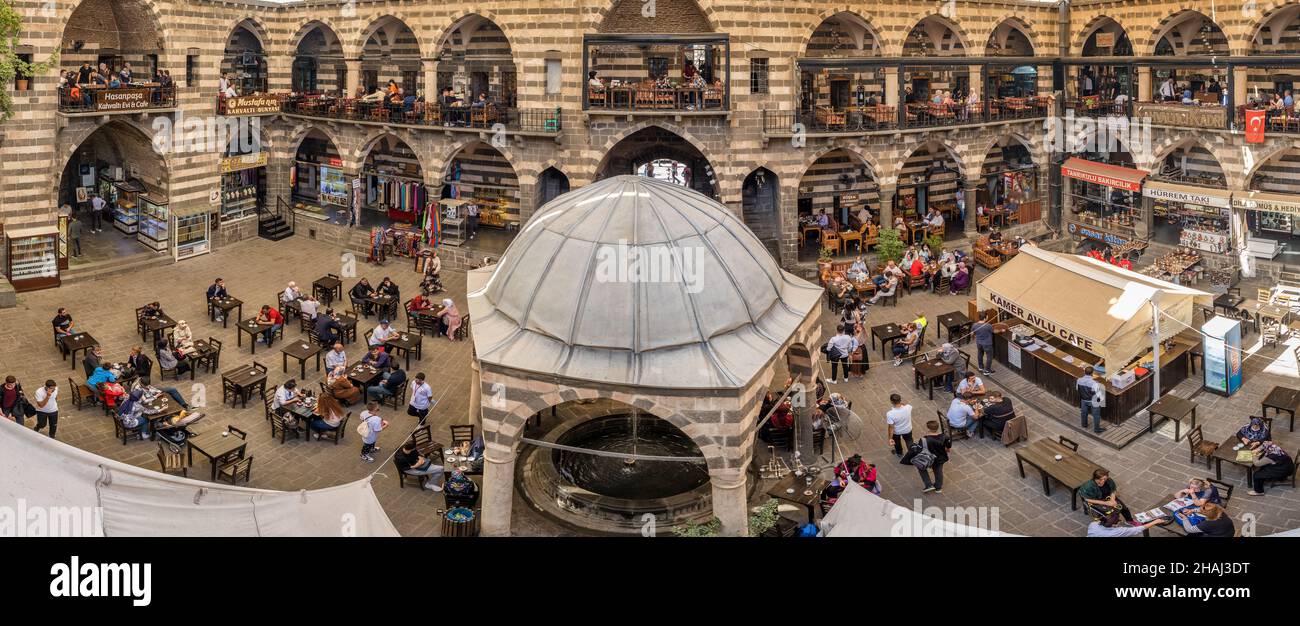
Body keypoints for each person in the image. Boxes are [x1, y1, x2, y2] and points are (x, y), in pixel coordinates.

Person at [903, 421, 951, 493]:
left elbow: (920, 450)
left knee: (921, 468)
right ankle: (938, 488)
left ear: (928, 428)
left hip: (929, 459)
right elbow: (948, 448)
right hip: (940, 458)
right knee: (938, 472)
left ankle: (928, 484)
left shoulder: (924, 439)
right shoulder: (944, 437)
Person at [1087, 509, 1168, 537]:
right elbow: (1138, 529)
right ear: (1115, 524)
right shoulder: (1117, 532)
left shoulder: (1093, 524)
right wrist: (1155, 521)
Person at [1078, 366, 1103, 433]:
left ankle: (1084, 424)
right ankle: (1097, 429)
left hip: (1083, 400)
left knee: (1083, 413)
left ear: (1084, 372)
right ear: (1092, 373)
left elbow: (1078, 389)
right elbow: (1099, 395)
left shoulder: (1079, 380)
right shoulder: (1094, 383)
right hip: (1093, 401)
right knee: (1096, 415)